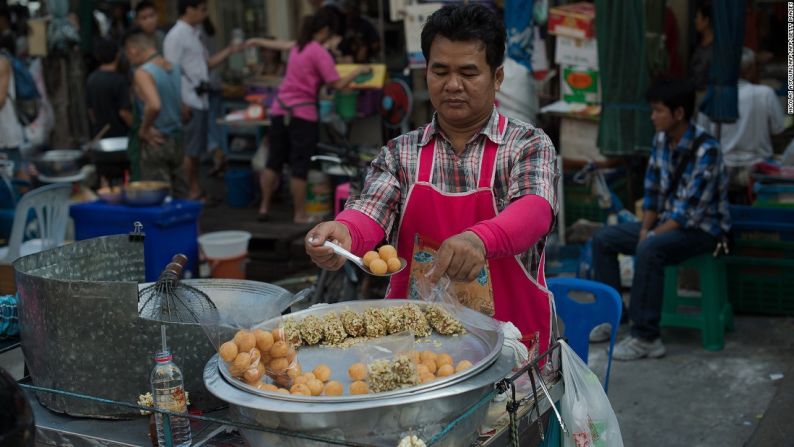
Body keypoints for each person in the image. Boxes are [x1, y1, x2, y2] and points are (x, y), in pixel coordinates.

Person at [304, 4, 559, 356]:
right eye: (440, 71)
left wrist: (480, 239)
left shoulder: (527, 145)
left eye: (469, 73)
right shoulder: (400, 153)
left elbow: (535, 210)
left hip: (511, 355)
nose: (453, 85)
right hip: (418, 354)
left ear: (497, 77)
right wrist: (345, 233)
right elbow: (370, 208)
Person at [590, 79, 730, 360]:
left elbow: (689, 212)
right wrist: (645, 228)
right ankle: (616, 316)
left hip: (703, 231)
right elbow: (652, 193)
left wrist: (650, 236)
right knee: (603, 239)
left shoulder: (707, 150)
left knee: (650, 248)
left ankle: (646, 337)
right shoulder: (661, 140)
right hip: (668, 223)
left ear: (678, 113)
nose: (652, 117)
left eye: (658, 111)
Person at [257, 9, 369, 223]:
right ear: (325, 30)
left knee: (273, 162)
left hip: (280, 110)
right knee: (299, 165)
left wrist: (254, 41)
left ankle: (264, 207)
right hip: (302, 114)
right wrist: (358, 70)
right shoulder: (319, 52)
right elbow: (336, 84)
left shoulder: (299, 46)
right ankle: (299, 214)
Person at [164, 0, 243, 200]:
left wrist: (229, 51)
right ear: (188, 9)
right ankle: (189, 191)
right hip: (188, 99)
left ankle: (194, 188)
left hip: (200, 98)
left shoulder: (194, 33)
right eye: (201, 9)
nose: (204, 14)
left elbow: (204, 65)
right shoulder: (176, 35)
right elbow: (170, 71)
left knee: (196, 150)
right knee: (190, 150)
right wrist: (179, 102)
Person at [696, 47, 785, 202]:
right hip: (758, 171)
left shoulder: (713, 97)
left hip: (723, 170)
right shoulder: (765, 93)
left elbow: (703, 137)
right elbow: (778, 130)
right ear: (750, 70)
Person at [124, 27, 187, 198]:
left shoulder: (143, 73)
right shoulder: (173, 68)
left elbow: (154, 105)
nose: (129, 60)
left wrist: (144, 129)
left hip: (157, 141)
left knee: (158, 198)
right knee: (181, 196)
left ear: (133, 50)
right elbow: (183, 108)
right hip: (177, 139)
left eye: (128, 55)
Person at [86, 38, 132, 138]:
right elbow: (124, 112)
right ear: (118, 54)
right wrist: (137, 129)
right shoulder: (120, 81)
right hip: (120, 136)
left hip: (100, 135)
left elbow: (91, 112)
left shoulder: (91, 79)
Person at [0, 34, 23, 176]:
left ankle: (27, 198)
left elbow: (1, 99)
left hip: (5, 132)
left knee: (15, 171)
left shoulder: (2, 63)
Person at [689, 1, 713, 92]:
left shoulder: (713, 50)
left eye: (697, 17)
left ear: (706, 21)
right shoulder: (699, 45)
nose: (695, 21)